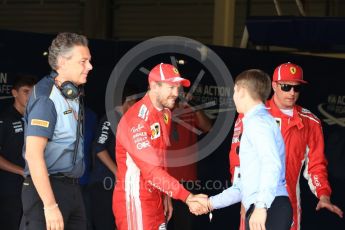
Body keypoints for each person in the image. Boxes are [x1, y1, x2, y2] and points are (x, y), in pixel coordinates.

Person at [229, 62, 343, 230]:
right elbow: (237, 157)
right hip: (254, 199)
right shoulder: (251, 113)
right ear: (274, 86)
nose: (291, 93)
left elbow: (316, 165)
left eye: (296, 88)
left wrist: (323, 195)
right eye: (286, 87)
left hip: (288, 202)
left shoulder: (311, 122)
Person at [192, 69, 293, 230]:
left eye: (234, 92)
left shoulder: (258, 123)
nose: (233, 97)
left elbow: (271, 164)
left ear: (242, 91)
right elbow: (241, 187)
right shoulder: (252, 123)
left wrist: (261, 206)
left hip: (269, 208)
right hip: (264, 207)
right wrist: (210, 203)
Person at [112, 63, 208, 230]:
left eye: (178, 87)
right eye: (171, 87)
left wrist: (166, 195)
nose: (176, 93)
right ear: (154, 86)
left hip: (155, 199)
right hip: (136, 201)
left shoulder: (165, 113)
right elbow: (151, 171)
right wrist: (187, 197)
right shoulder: (137, 120)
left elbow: (161, 158)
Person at [20, 32, 93, 230]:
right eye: (83, 61)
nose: (90, 67)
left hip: (73, 189)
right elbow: (34, 156)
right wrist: (50, 206)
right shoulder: (46, 97)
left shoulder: (73, 93)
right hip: (47, 191)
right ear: (62, 62)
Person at [89, 86, 137, 230]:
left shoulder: (127, 122)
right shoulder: (111, 118)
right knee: (106, 224)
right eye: (135, 102)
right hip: (103, 184)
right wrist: (117, 172)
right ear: (128, 101)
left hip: (119, 186)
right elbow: (98, 147)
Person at [167, 92, 212, 230]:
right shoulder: (162, 109)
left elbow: (208, 127)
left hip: (186, 178)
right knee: (161, 222)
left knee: (184, 224)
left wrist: (194, 105)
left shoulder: (190, 108)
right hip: (163, 177)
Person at [0, 74, 36, 230]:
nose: (30, 96)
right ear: (15, 93)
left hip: (34, 186)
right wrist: (21, 171)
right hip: (11, 188)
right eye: (26, 92)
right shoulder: (5, 119)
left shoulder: (37, 118)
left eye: (33, 93)